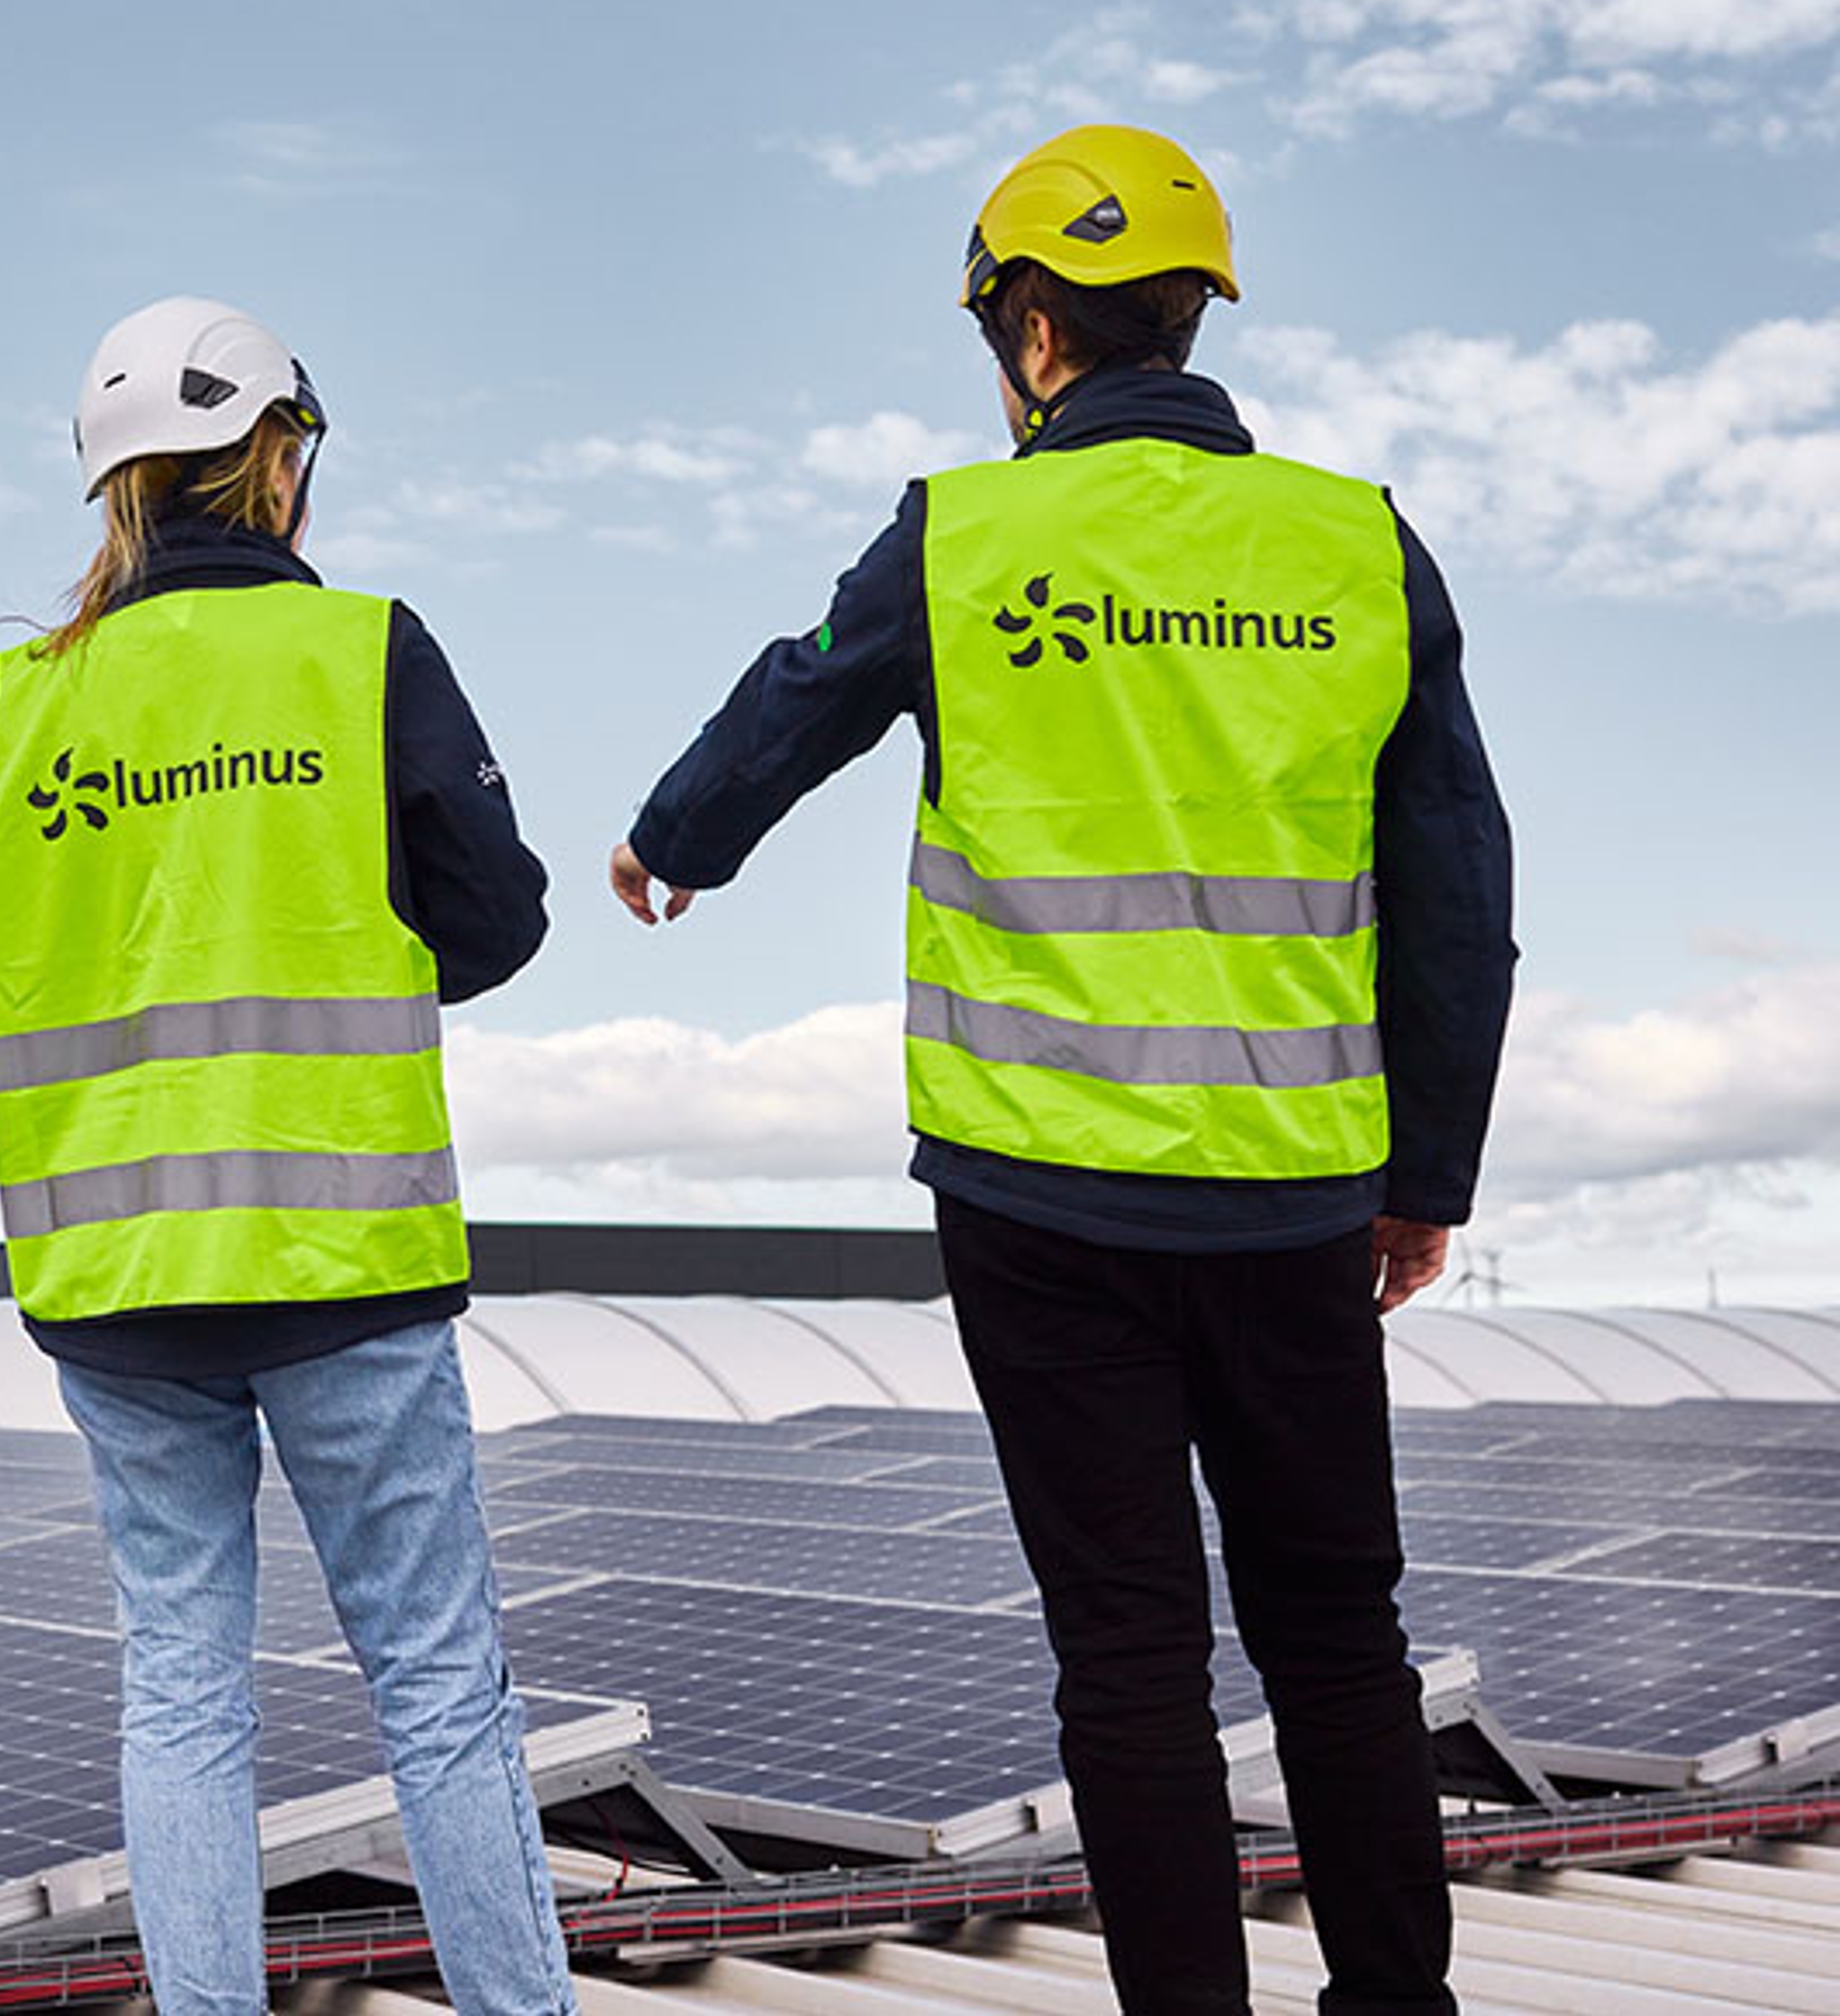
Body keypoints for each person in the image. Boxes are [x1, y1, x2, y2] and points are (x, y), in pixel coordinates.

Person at [608, 126, 1513, 2016]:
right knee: (1343, 1640)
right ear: (1194, 317)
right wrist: (1429, 1176)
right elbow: (1455, 884)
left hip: (1039, 1203)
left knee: (1128, 1654)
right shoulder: (1361, 542)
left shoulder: (962, 533)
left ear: (1027, 332)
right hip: (1294, 1199)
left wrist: (672, 841)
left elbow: (801, 696)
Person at [0, 295, 567, 2016]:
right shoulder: (359, 647)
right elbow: (496, 918)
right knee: (439, 1686)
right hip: (338, 1254)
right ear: (278, 461)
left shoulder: (29, 700)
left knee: (182, 1692)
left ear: (115, 491)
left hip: (122, 1286)